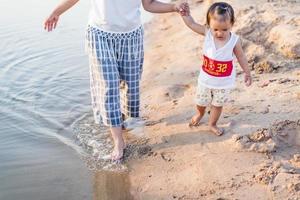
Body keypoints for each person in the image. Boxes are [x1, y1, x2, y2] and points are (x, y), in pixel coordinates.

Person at [44, 0, 188, 162]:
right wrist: (56, 12)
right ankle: (119, 141)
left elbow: (149, 4)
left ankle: (124, 121)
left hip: (131, 36)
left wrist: (174, 7)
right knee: (109, 86)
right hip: (100, 34)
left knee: (130, 84)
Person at [181, 2, 252, 136]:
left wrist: (247, 72)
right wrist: (185, 15)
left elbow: (241, 57)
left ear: (231, 24)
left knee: (217, 105)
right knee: (201, 102)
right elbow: (191, 24)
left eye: (224, 29)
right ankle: (200, 114)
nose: (219, 33)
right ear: (208, 26)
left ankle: (212, 123)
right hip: (205, 80)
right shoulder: (207, 33)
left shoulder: (234, 41)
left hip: (223, 83)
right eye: (216, 29)